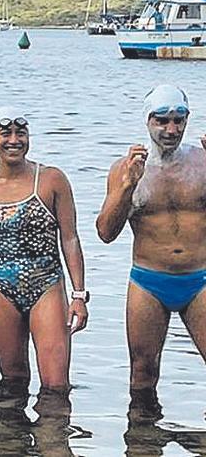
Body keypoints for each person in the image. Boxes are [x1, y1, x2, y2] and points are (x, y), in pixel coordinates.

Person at [0, 107, 88, 392]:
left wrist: (79, 295)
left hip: (47, 286)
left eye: (21, 133)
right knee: (12, 383)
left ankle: (54, 434)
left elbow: (70, 238)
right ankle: (8, 437)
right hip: (1, 289)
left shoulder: (52, 180)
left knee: (55, 385)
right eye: (6, 134)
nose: (14, 140)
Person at [97, 84, 206, 400]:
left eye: (179, 120)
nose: (171, 129)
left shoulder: (202, 162)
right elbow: (105, 232)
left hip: (199, 279)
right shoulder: (126, 168)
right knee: (143, 372)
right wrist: (127, 187)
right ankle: (143, 440)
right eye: (162, 120)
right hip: (148, 281)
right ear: (147, 121)